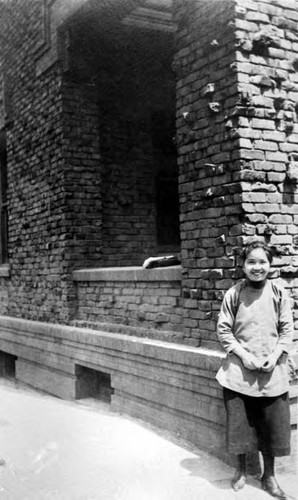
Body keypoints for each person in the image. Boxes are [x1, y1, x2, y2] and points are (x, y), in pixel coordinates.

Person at [216, 240, 294, 499]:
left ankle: (269, 476)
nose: (257, 267)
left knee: (271, 427)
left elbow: (287, 331)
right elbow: (224, 331)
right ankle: (240, 470)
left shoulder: (280, 293)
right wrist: (243, 356)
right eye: (252, 262)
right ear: (243, 265)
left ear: (270, 265)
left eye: (262, 262)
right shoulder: (234, 294)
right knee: (240, 425)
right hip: (240, 372)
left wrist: (275, 356)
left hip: (272, 372)